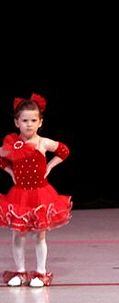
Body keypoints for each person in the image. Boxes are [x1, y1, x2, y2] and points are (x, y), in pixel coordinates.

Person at [0, 92, 72, 287]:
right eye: (25, 120)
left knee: (40, 235)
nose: (29, 124)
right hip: (19, 195)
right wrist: (10, 172)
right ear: (17, 122)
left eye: (33, 120)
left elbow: (64, 151)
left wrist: (49, 166)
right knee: (17, 234)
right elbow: (1, 158)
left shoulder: (43, 142)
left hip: (41, 195)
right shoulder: (12, 144)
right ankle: (20, 271)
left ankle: (40, 272)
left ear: (40, 122)